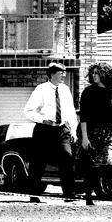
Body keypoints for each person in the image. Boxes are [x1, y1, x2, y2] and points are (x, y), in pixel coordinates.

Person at [24, 62, 78, 199]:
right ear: (52, 75)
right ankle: (34, 194)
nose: (64, 76)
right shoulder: (41, 89)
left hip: (62, 129)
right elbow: (28, 111)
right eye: (61, 73)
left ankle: (69, 194)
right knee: (38, 162)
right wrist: (43, 120)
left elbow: (71, 112)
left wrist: (73, 131)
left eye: (65, 73)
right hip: (45, 130)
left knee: (67, 157)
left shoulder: (65, 90)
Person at [78, 63, 112, 205]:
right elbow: (84, 116)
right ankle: (88, 197)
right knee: (91, 165)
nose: (94, 76)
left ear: (104, 74)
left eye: (96, 73)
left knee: (110, 162)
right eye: (92, 73)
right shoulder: (88, 92)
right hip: (90, 132)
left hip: (109, 133)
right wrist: (85, 138)